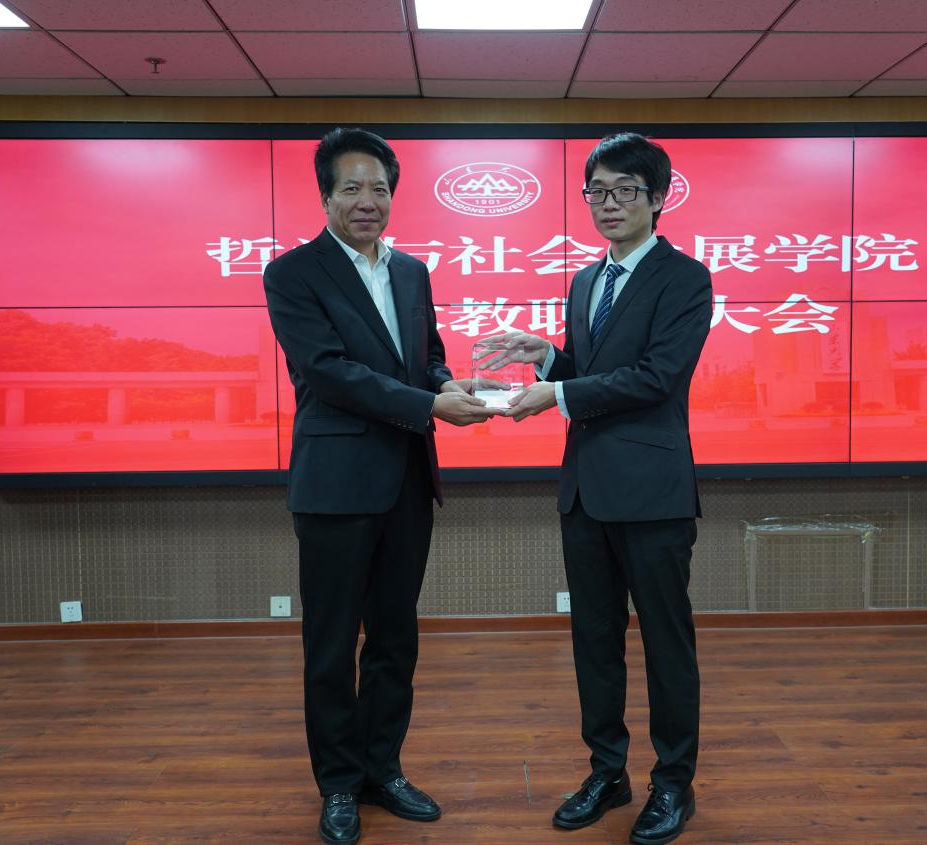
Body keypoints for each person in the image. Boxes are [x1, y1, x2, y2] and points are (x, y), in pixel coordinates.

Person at [263, 127, 497, 845]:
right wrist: (428, 405)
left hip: (406, 480)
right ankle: (337, 783)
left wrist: (444, 383)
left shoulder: (412, 272)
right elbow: (328, 372)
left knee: (395, 638)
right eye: (352, 188)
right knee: (331, 644)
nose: (368, 201)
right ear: (325, 196)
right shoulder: (292, 274)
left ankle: (381, 769)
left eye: (380, 189)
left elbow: (426, 354)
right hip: (335, 485)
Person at [493, 133, 711, 845]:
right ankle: (607, 772)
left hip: (652, 493)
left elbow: (655, 378)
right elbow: (594, 373)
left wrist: (557, 393)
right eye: (597, 191)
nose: (608, 203)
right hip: (585, 491)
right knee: (594, 641)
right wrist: (549, 358)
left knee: (666, 645)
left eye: (624, 190)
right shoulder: (586, 281)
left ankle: (673, 783)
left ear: (658, 197)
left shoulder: (685, 278)